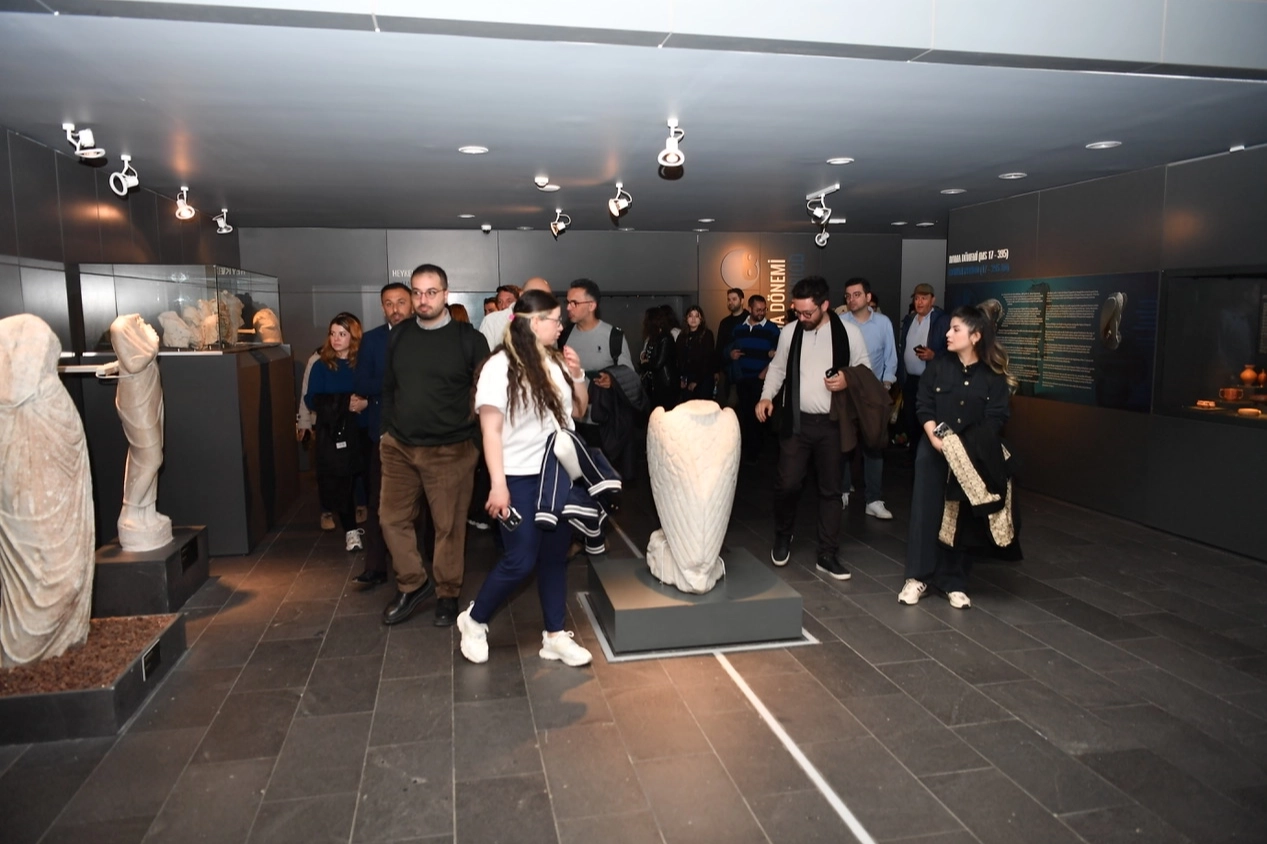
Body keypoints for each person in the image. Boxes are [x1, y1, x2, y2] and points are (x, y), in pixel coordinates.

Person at [456, 289, 594, 667]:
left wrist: (578, 375)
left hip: (557, 476)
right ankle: (474, 620)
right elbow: (491, 431)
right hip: (517, 478)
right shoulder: (499, 367)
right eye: (555, 320)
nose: (561, 326)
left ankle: (554, 636)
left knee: (554, 556)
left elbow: (579, 411)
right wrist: (498, 485)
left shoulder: (555, 361)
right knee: (520, 559)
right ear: (534, 323)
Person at [379, 264, 490, 627]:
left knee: (448, 528)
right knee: (391, 519)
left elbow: (485, 393)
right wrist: (386, 432)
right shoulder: (400, 335)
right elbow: (389, 386)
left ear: (446, 294)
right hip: (399, 447)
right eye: (417, 292)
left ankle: (447, 593)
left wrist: (475, 443)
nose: (422, 299)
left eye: (431, 292)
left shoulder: (468, 339)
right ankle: (413, 583)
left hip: (451, 450)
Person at [901, 305, 1017, 609]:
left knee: (960, 516)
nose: (948, 335)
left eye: (955, 329)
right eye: (949, 329)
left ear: (975, 336)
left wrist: (967, 447)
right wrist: (935, 438)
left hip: (971, 455)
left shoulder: (992, 376)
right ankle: (917, 577)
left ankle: (953, 581)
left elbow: (996, 417)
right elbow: (924, 403)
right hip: (933, 450)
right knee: (925, 512)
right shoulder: (938, 366)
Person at [757, 277, 870, 580]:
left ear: (825, 305)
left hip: (833, 424)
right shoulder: (790, 332)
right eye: (797, 312)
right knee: (787, 484)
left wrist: (847, 379)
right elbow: (778, 368)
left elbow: (865, 371)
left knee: (831, 491)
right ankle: (783, 535)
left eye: (808, 313)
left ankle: (827, 554)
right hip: (797, 422)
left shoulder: (849, 333)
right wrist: (767, 396)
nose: (802, 318)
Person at [350, 282, 413, 586]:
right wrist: (398, 381)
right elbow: (361, 383)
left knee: (422, 505)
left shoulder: (424, 335)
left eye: (401, 302)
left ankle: (419, 566)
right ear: (382, 307)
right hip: (382, 434)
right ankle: (375, 566)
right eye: (389, 303)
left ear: (411, 303)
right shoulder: (373, 339)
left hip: (420, 432)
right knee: (379, 502)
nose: (395, 309)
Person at [305, 312, 370, 552]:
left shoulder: (363, 363)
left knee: (367, 481)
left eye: (342, 334)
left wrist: (364, 402)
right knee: (342, 484)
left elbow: (377, 391)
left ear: (353, 336)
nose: (336, 339)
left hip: (363, 430)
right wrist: (344, 402)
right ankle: (351, 532)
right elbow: (311, 399)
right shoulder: (321, 364)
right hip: (336, 434)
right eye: (333, 333)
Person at [840, 277, 898, 518]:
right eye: (848, 296)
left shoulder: (883, 323)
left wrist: (886, 385)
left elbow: (890, 356)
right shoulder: (840, 322)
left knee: (874, 445)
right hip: (846, 392)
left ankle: (873, 499)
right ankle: (842, 491)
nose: (851, 299)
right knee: (844, 443)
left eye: (856, 294)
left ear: (868, 297)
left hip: (873, 393)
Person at [728, 294, 780, 464]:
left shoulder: (772, 329)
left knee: (759, 417)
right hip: (742, 379)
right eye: (758, 310)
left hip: (761, 380)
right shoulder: (738, 328)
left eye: (764, 309)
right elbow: (729, 349)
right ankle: (749, 453)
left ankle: (758, 453)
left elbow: (779, 355)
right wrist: (731, 354)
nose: (761, 312)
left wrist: (765, 372)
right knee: (745, 415)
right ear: (749, 309)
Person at [898, 283, 951, 447]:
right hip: (910, 381)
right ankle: (913, 454)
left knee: (927, 421)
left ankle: (927, 454)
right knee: (910, 419)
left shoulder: (941, 321)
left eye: (924, 298)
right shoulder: (910, 320)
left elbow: (951, 351)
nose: (919, 302)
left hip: (930, 381)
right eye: (916, 298)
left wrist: (934, 355)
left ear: (932, 300)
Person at [481, 277, 549, 351]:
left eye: (509, 301)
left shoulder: (549, 320)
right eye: (500, 302)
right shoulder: (491, 321)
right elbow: (485, 354)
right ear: (521, 295)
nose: (503, 306)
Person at [639, 305, 679, 410]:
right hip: (656, 383)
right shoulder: (654, 337)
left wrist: (644, 364)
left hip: (665, 384)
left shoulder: (665, 338)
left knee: (664, 412)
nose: (644, 322)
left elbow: (657, 364)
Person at [714, 287, 748, 405]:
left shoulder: (750, 319)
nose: (730, 302)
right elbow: (719, 346)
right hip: (729, 372)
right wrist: (716, 370)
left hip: (748, 372)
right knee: (729, 405)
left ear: (742, 300)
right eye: (728, 299)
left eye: (734, 299)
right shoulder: (725, 322)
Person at [676, 304, 716, 402]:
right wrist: (681, 378)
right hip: (687, 378)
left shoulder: (707, 334)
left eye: (696, 316)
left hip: (703, 379)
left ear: (701, 319)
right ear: (686, 319)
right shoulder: (682, 336)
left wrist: (696, 381)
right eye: (690, 316)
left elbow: (708, 360)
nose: (693, 319)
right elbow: (678, 358)